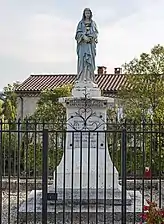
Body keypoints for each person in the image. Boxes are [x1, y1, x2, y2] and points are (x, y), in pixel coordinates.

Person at [75, 8, 98, 83]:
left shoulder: (93, 23)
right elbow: (77, 34)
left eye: (88, 13)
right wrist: (83, 36)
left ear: (90, 14)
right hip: (82, 45)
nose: (87, 14)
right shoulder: (80, 23)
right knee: (82, 60)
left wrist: (90, 37)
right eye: (86, 13)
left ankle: (89, 78)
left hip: (90, 45)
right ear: (84, 14)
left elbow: (96, 33)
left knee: (90, 60)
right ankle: (81, 78)